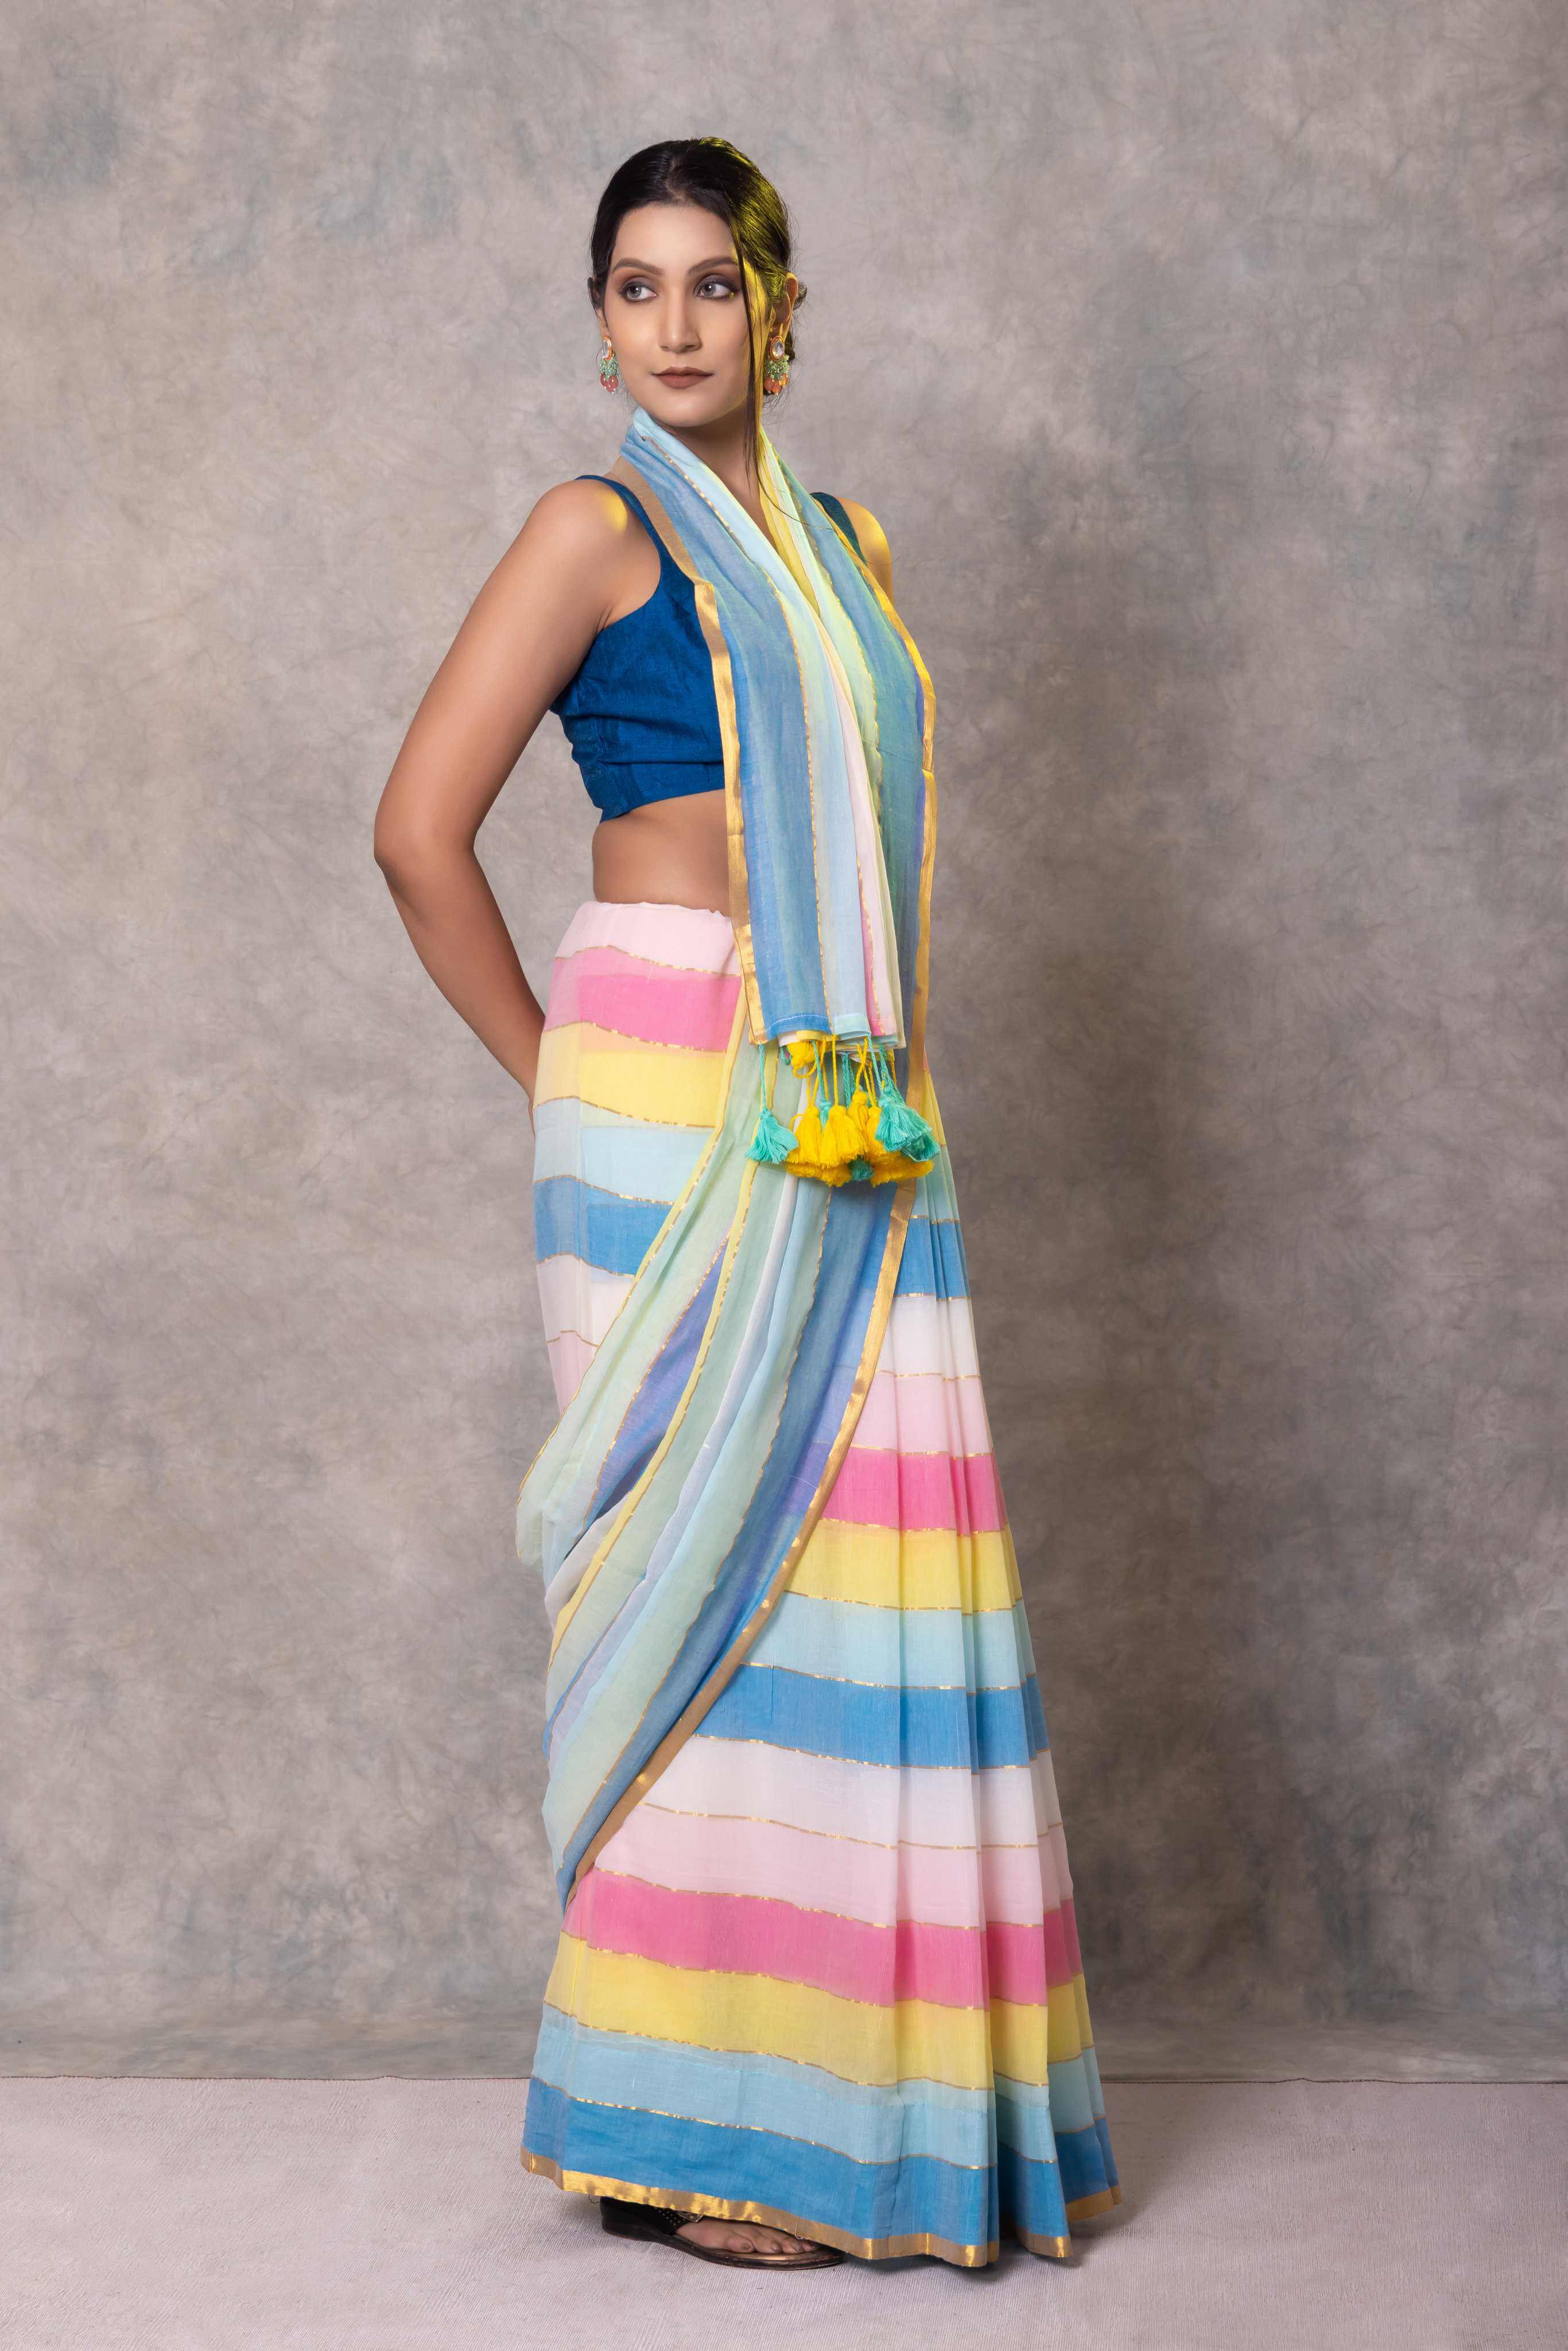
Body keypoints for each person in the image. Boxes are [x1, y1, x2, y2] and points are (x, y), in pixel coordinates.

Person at [374, 135, 1121, 2273]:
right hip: (659, 1075)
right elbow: (418, 832)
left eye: (714, 285)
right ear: (601, 315)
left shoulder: (847, 545)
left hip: (849, 1094)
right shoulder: (592, 533)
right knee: (694, 1563)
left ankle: (842, 2102)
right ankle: (683, 2116)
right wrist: (566, 1077)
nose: (677, 325)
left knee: (861, 1568)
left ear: (779, 308)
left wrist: (838, 1070)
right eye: (635, 288)